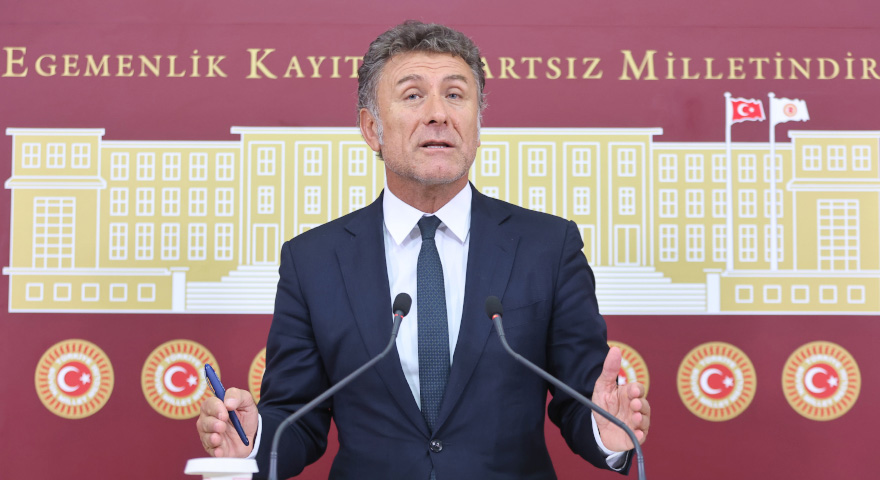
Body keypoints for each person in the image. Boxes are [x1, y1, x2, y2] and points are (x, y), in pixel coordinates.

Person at [197, 20, 650, 480]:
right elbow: (298, 418)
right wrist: (252, 438)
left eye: (455, 95)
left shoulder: (547, 246)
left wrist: (605, 426)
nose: (439, 114)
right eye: (413, 95)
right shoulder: (313, 261)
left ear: (477, 125)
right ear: (371, 129)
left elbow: (581, 400)